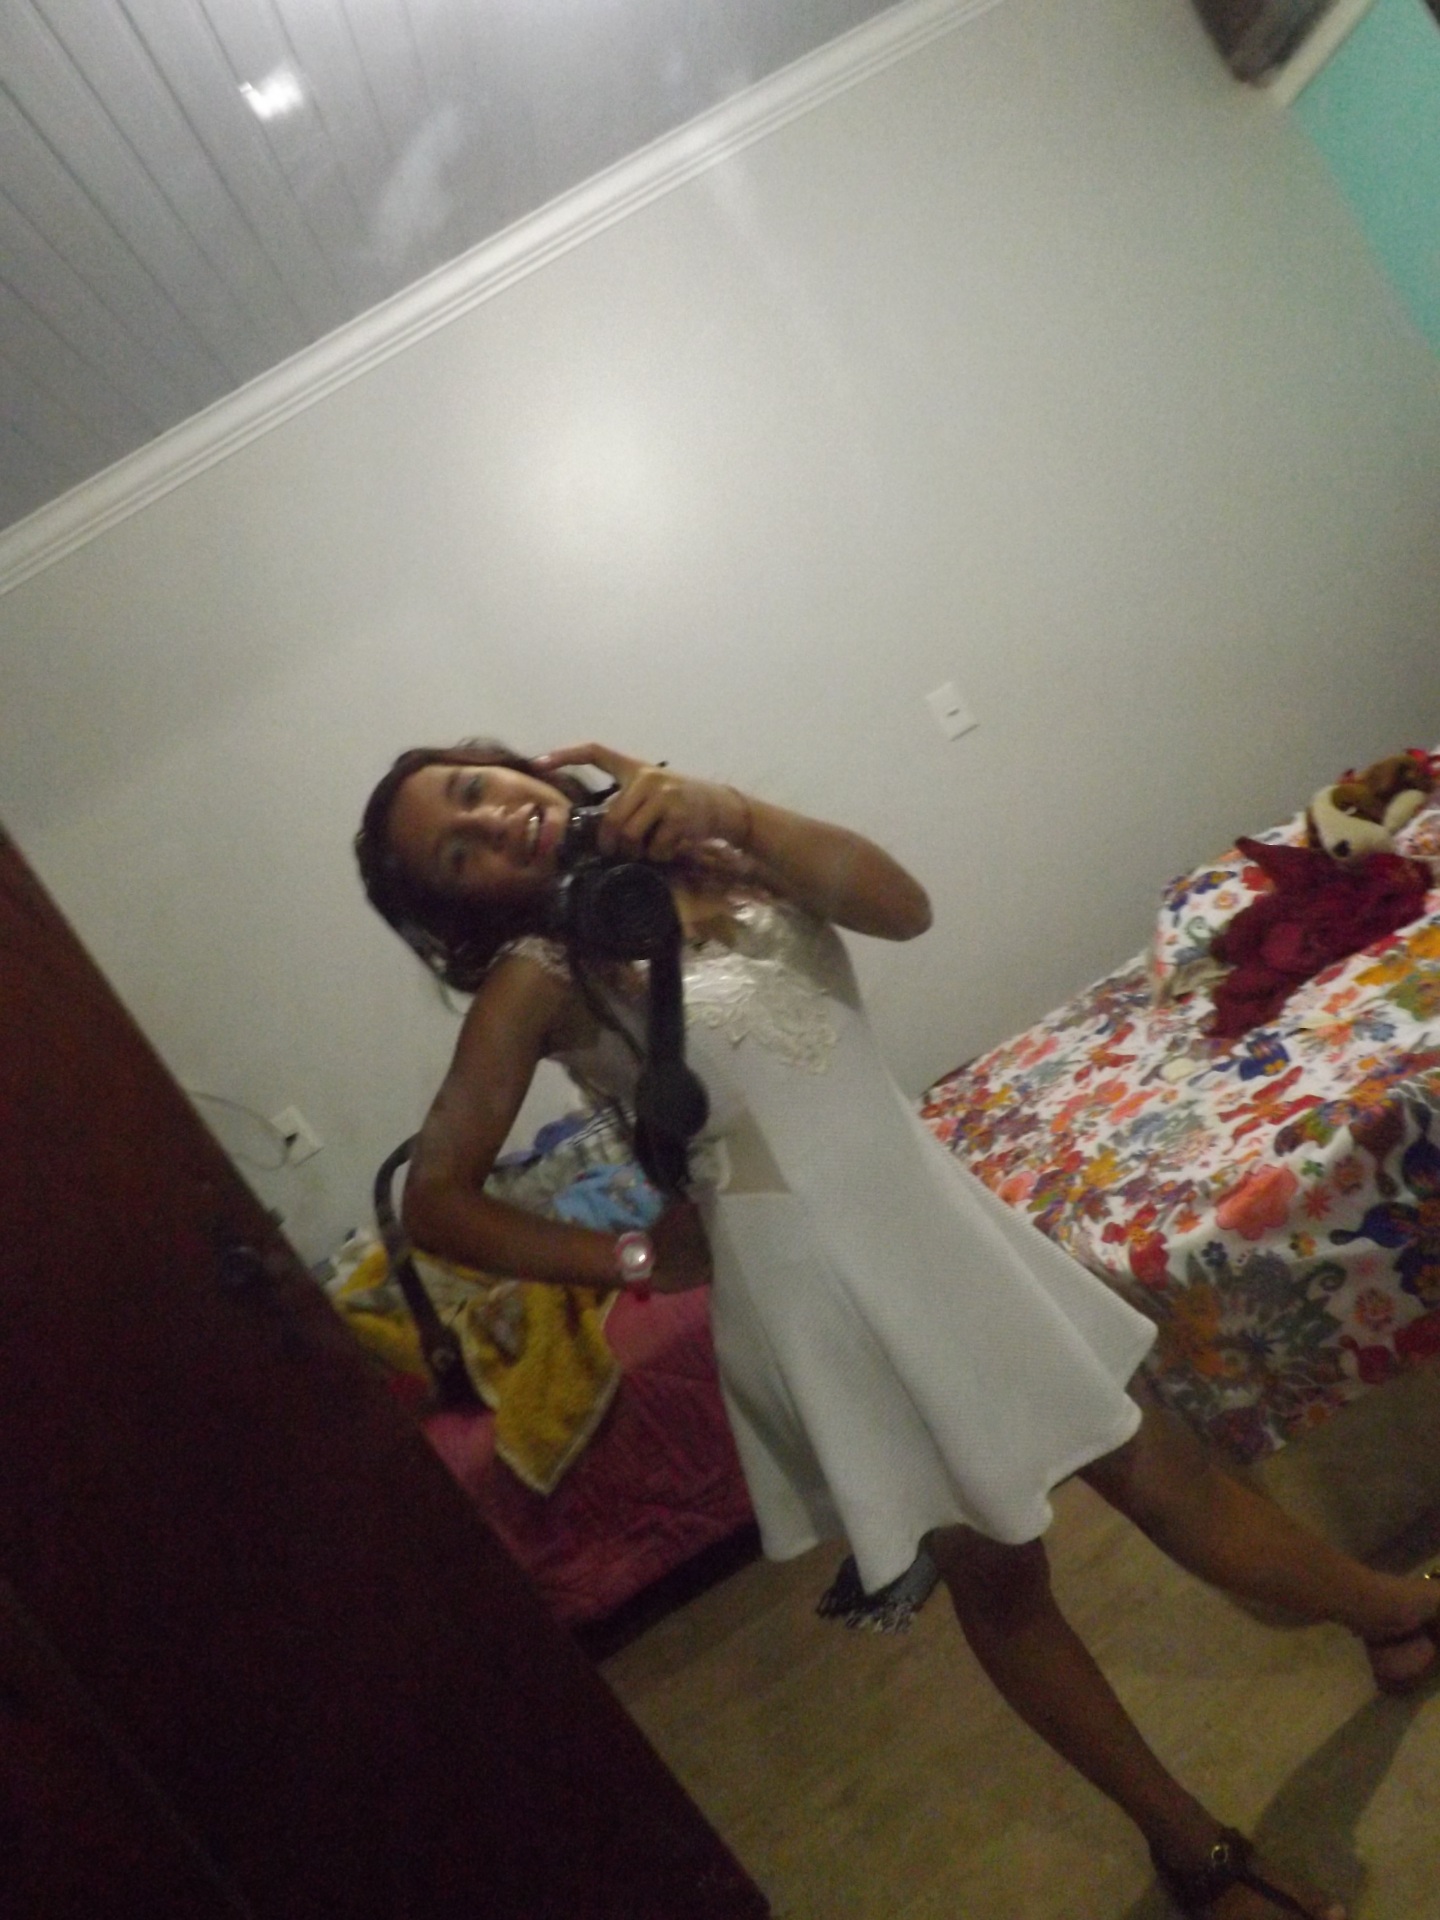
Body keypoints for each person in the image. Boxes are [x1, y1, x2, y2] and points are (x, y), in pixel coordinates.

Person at [356, 738, 1440, 1920]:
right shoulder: (539, 972)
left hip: (938, 1221)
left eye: (473, 790)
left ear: (519, 766)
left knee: (1158, 1466)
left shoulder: (706, 847)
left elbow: (901, 908)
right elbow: (436, 1200)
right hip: (823, 1298)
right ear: (456, 907)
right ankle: (1194, 1849)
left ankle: (1395, 1616)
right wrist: (629, 1259)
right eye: (453, 854)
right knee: (1005, 1578)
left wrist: (725, 808)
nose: (489, 825)